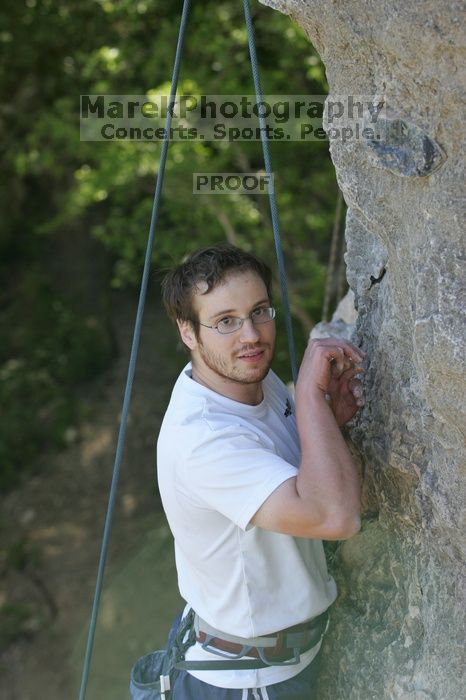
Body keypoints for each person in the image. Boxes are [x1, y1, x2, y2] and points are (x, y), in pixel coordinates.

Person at [157, 243, 364, 699]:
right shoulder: (203, 440)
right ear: (188, 332)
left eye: (259, 311)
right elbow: (336, 518)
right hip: (249, 680)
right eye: (225, 321)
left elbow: (289, 475)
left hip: (278, 656)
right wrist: (310, 396)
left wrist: (328, 423)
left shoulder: (251, 379)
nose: (251, 335)